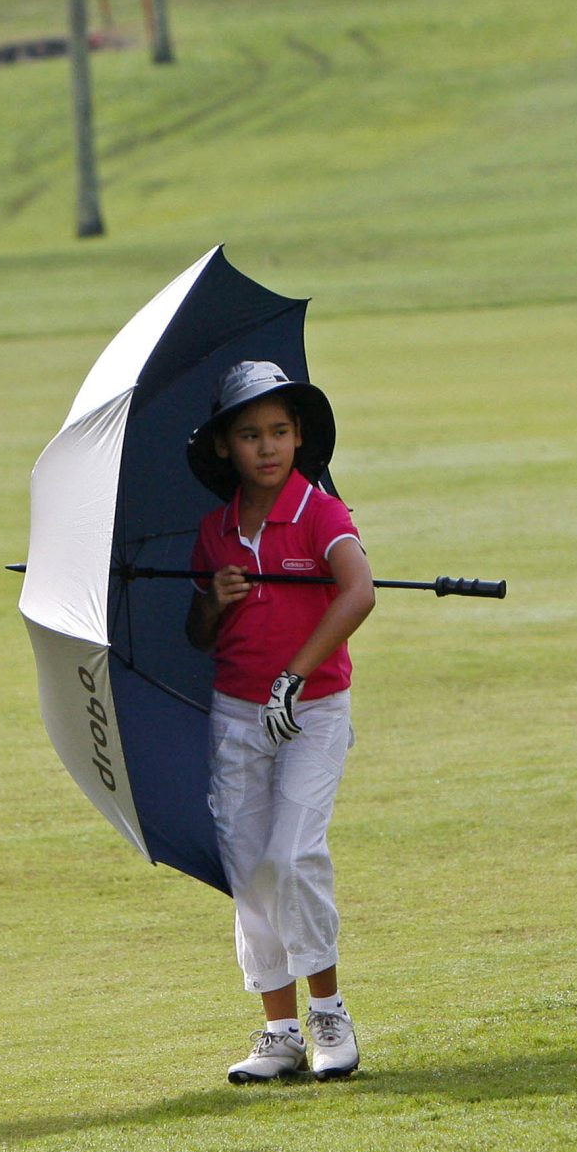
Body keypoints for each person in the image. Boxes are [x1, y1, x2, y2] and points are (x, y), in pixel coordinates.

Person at [185, 361, 377, 1085]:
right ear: (226, 448)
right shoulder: (215, 532)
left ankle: (328, 1012)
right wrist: (215, 596)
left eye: (279, 432)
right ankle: (280, 1028)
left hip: (314, 708)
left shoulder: (322, 511)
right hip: (236, 713)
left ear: (300, 438)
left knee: (294, 853)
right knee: (250, 867)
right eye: (249, 434)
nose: (267, 447)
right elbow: (199, 633)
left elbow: (357, 593)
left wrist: (295, 675)